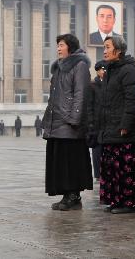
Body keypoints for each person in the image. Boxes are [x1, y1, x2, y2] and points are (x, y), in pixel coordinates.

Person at [42, 33, 93, 211]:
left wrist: (74, 119)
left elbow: (81, 93)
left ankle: (73, 196)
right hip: (57, 122)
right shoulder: (58, 68)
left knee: (71, 162)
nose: (58, 48)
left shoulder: (79, 66)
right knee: (60, 162)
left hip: (70, 124)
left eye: (61, 45)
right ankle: (66, 195)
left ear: (70, 47)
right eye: (57, 45)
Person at [97, 35, 135, 214]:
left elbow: (131, 100)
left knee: (124, 167)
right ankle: (115, 200)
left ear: (119, 50)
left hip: (122, 128)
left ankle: (128, 203)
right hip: (109, 126)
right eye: (104, 47)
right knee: (111, 167)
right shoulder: (109, 71)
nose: (104, 51)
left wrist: (126, 124)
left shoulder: (128, 70)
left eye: (108, 47)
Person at [89, 60, 106, 181]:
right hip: (96, 123)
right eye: (102, 69)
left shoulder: (110, 84)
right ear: (98, 71)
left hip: (108, 122)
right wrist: (90, 122)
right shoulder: (92, 85)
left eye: (105, 69)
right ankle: (98, 174)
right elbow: (89, 106)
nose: (104, 71)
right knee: (97, 150)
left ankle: (106, 173)